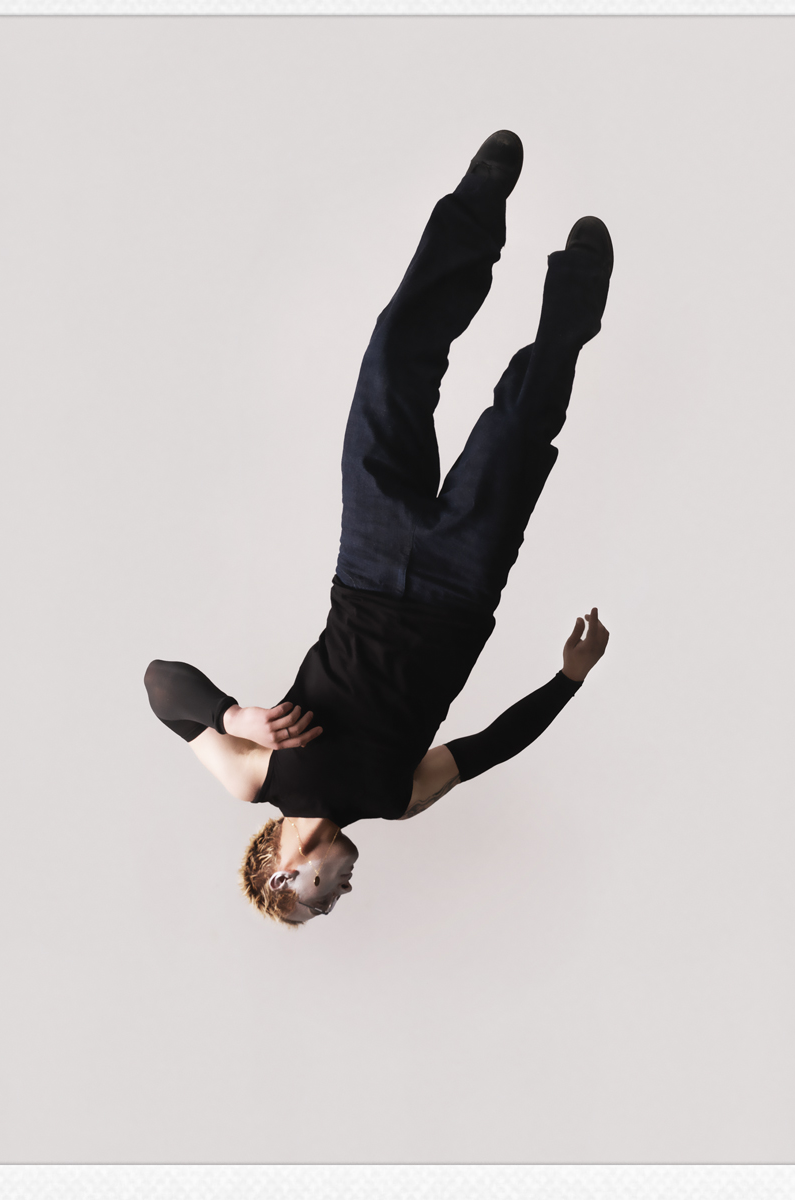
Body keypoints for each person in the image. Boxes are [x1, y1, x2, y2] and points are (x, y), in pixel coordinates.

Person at [144, 131, 612, 928]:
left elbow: (159, 684)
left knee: (392, 365)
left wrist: (231, 716)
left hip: (366, 557)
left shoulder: (253, 776)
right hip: (460, 585)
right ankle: (575, 297)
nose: (343, 895)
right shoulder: (398, 799)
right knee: (522, 422)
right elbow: (492, 744)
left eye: (322, 901)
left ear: (285, 875)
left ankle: (476, 205)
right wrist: (568, 679)